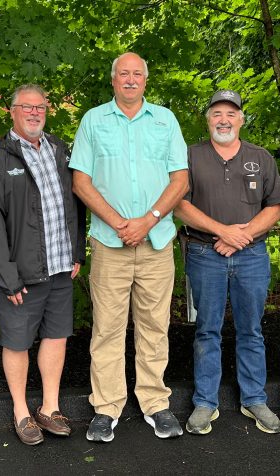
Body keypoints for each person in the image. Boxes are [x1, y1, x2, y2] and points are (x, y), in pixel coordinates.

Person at [70, 52, 189, 442]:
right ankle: (107, 408)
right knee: (107, 328)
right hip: (109, 242)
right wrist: (121, 224)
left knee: (155, 326)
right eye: (124, 73)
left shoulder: (165, 120)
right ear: (113, 80)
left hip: (156, 241)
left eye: (138, 73)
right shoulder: (93, 121)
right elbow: (82, 182)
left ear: (146, 80)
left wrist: (148, 220)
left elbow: (180, 180)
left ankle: (155, 402)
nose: (131, 79)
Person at [0, 84, 86, 445]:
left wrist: (77, 252)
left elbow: (77, 204)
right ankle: (22, 410)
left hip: (60, 268)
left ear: (47, 110)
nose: (34, 113)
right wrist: (6, 276)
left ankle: (50, 407)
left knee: (56, 337)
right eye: (27, 107)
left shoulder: (60, 151)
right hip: (20, 275)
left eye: (40, 107)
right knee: (17, 342)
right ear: (12, 111)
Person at [174, 90, 280, 435]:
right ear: (207, 119)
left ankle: (254, 398)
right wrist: (224, 232)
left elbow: (275, 206)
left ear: (241, 119)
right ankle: (205, 402)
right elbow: (179, 205)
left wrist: (243, 235)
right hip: (205, 254)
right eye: (216, 113)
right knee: (207, 330)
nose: (224, 119)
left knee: (251, 329)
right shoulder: (189, 156)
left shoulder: (261, 157)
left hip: (251, 255)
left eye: (231, 113)